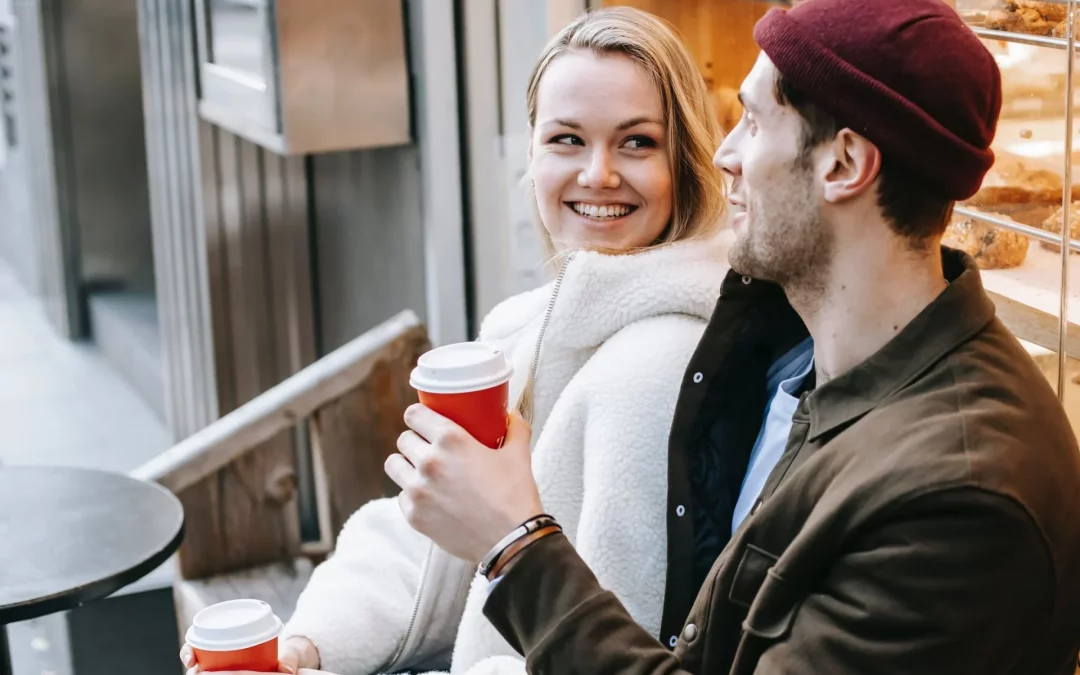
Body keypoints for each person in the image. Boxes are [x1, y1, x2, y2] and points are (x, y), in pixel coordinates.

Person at [387, 0, 1080, 673]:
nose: (722, 155)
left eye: (752, 121)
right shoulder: (817, 375)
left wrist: (516, 543)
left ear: (843, 164)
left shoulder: (959, 498)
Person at [180, 7, 729, 675]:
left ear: (688, 159)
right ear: (530, 152)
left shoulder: (659, 369)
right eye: (566, 139)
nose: (598, 174)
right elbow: (429, 544)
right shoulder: (526, 324)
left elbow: (612, 643)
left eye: (637, 142)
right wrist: (307, 644)